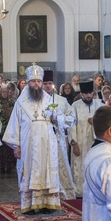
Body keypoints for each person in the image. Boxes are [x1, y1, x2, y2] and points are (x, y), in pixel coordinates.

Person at [2, 65, 62, 214]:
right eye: (33, 81)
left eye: (39, 81)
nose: (36, 84)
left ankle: (47, 203)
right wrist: (16, 146)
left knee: (47, 171)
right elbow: (14, 125)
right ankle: (29, 204)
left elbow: (59, 120)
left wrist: (56, 120)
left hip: (47, 145)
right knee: (29, 171)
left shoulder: (49, 100)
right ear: (28, 83)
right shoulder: (21, 103)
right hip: (28, 145)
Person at [43, 71, 76, 200]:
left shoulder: (61, 101)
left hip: (58, 140)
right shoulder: (35, 101)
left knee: (60, 166)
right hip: (43, 141)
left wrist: (59, 119)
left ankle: (64, 194)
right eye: (45, 83)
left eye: (49, 83)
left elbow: (72, 118)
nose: (47, 86)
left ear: (53, 85)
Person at [70, 82, 103, 197]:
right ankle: (79, 193)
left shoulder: (99, 105)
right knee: (79, 167)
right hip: (80, 143)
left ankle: (95, 192)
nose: (88, 96)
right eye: (86, 94)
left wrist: (96, 121)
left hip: (95, 143)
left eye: (90, 93)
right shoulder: (75, 106)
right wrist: (74, 143)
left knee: (95, 166)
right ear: (81, 94)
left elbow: (106, 122)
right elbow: (71, 125)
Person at [0, 84, 17, 174]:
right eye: (3, 92)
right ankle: (1, 167)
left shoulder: (12, 103)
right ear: (0, 93)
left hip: (9, 128)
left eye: (6, 92)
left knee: (9, 149)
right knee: (0, 149)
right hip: (0, 129)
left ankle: (9, 166)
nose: (5, 93)